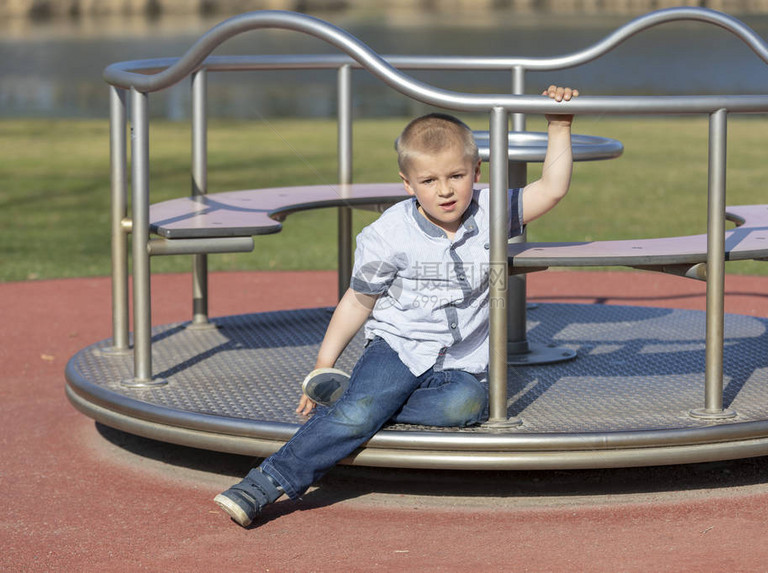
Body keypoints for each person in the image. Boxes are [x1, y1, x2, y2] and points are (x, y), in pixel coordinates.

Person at [214, 85, 579, 527]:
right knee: (359, 411)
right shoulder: (387, 235)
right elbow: (357, 300)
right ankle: (266, 482)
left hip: (462, 359)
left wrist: (559, 126)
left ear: (476, 171)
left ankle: (360, 404)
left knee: (468, 407)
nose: (445, 191)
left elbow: (553, 189)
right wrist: (323, 362)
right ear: (408, 184)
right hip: (399, 347)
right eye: (429, 181)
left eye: (456, 177)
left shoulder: (492, 211)